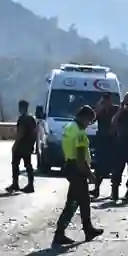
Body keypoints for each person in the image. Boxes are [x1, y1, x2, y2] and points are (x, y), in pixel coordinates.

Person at [53, 105, 104, 247]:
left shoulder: (69, 127)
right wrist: (90, 174)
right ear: (84, 117)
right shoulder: (80, 133)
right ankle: (60, 233)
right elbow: (81, 158)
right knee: (73, 203)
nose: (89, 124)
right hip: (77, 169)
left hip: (69, 165)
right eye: (89, 121)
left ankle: (87, 229)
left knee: (82, 201)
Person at [8, 99, 37, 193]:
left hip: (21, 146)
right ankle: (30, 185)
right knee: (28, 166)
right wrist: (33, 144)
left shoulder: (22, 119)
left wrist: (15, 145)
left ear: (22, 108)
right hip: (28, 146)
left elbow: (21, 132)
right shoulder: (32, 119)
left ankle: (15, 184)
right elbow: (35, 133)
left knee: (15, 164)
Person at [90, 93, 117, 198]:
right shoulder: (100, 111)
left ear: (110, 100)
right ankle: (96, 190)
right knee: (98, 168)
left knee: (114, 169)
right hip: (101, 142)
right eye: (103, 101)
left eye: (106, 101)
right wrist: (98, 108)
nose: (105, 103)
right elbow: (92, 120)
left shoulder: (116, 110)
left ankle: (114, 192)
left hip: (113, 142)